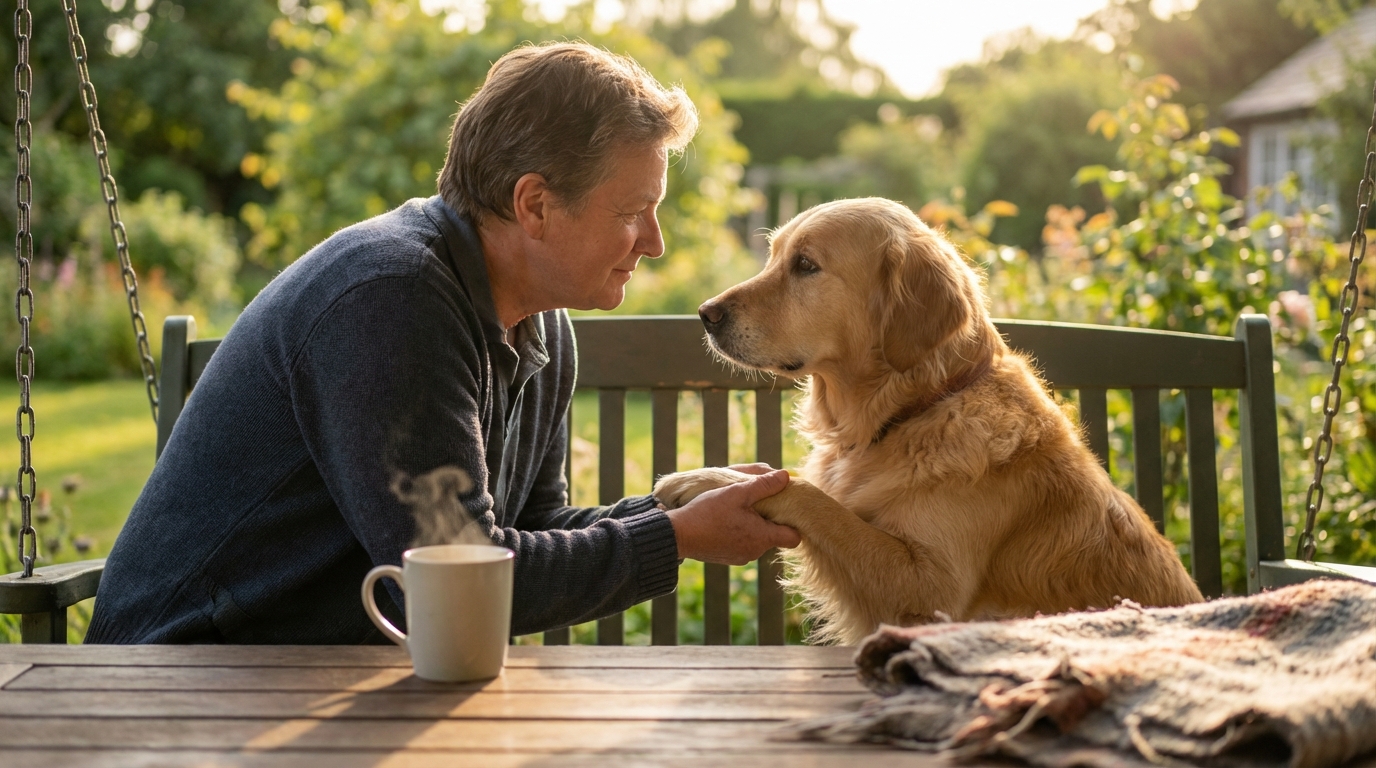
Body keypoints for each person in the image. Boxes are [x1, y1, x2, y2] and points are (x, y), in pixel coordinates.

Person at [85, 42, 800, 644]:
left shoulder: (541, 324)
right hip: (185, 676)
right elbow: (455, 581)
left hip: (323, 679)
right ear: (535, 205)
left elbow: (526, 532)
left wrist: (675, 511)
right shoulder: (392, 299)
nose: (655, 242)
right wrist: (677, 537)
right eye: (634, 211)